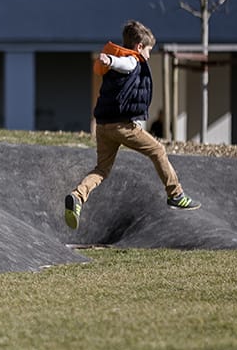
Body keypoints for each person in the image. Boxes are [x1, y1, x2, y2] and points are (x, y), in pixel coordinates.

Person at [64, 20, 199, 229]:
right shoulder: (131, 61)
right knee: (158, 151)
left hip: (103, 126)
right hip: (122, 126)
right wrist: (109, 59)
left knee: (101, 169)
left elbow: (118, 65)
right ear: (138, 47)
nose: (148, 55)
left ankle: (78, 196)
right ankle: (176, 194)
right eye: (148, 50)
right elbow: (124, 64)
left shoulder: (123, 61)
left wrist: (109, 59)